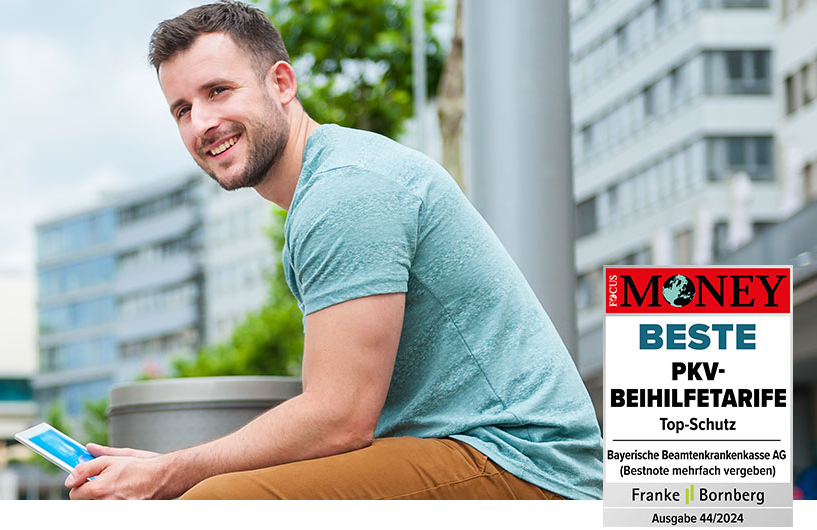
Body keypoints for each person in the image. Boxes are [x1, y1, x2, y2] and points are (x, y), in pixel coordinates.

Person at [64, 1, 602, 500]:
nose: (202, 122)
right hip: (465, 450)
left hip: (526, 465)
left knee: (214, 503)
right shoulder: (325, 185)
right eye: (182, 109)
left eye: (218, 91)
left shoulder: (346, 190)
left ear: (281, 83)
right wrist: (167, 467)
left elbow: (339, 417)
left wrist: (169, 472)